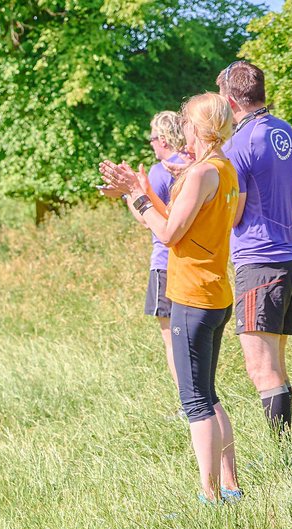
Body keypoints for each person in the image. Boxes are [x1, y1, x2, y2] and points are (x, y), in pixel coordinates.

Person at [100, 94, 242, 504]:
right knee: (210, 396)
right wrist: (137, 191)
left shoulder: (201, 174)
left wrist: (138, 194)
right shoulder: (223, 169)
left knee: (195, 400)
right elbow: (171, 221)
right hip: (213, 293)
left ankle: (209, 496)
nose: (182, 130)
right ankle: (229, 488)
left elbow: (166, 234)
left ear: (201, 128)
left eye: (186, 123)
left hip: (193, 296)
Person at [217, 61, 292, 433]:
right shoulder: (284, 131)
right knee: (278, 363)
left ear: (229, 98)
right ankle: (285, 444)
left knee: (260, 367)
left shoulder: (237, 143)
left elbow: (234, 213)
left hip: (259, 263)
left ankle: (281, 455)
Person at [101, 111, 188, 389]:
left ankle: (188, 404)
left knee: (172, 341)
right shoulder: (194, 164)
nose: (151, 144)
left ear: (163, 138)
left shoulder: (159, 171)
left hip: (165, 262)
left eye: (152, 138)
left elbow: (144, 218)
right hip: (193, 261)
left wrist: (127, 193)